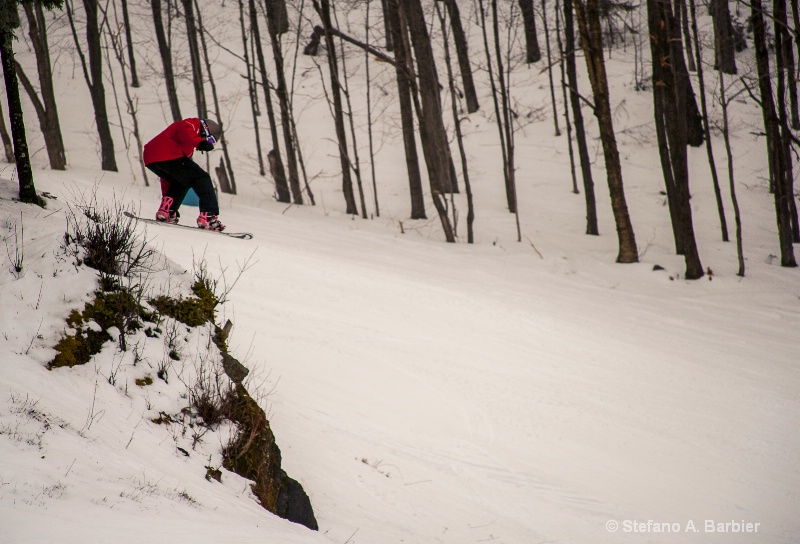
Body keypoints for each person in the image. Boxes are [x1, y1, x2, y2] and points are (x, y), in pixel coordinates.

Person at [143, 118, 225, 231]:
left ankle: (168, 210)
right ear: (206, 130)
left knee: (182, 181)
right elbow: (184, 130)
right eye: (210, 139)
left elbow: (170, 178)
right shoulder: (192, 124)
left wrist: (165, 197)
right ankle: (209, 216)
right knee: (202, 177)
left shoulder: (187, 147)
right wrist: (200, 143)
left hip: (151, 158)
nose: (208, 142)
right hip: (168, 154)